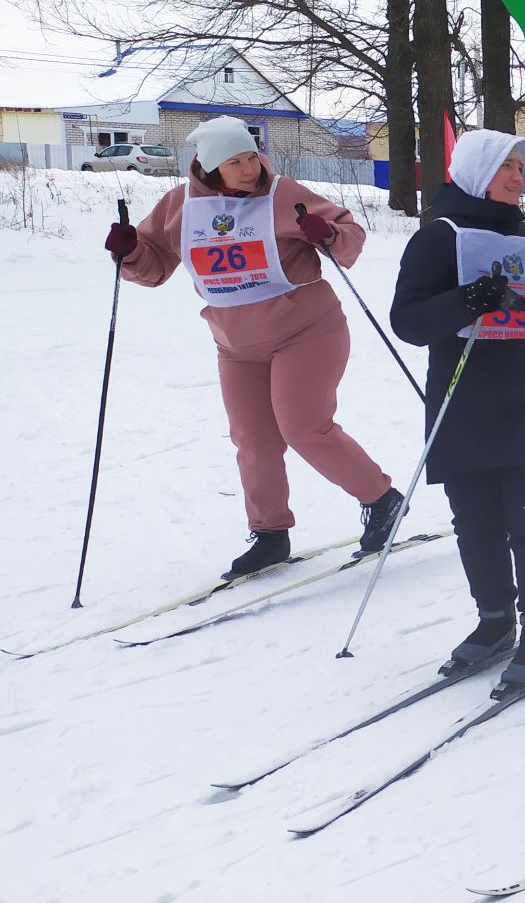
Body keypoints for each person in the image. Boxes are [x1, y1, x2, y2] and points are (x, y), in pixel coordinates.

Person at [103, 116, 401, 580]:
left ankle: (382, 500)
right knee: (253, 440)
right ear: (208, 166)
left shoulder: (281, 193)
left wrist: (326, 234)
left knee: (304, 427)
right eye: (235, 162)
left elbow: (349, 235)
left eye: (250, 157)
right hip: (235, 344)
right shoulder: (178, 205)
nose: (249, 168)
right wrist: (129, 251)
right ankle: (269, 534)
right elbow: (154, 264)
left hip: (307, 331)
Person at [389, 129, 525, 692]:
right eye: (505, 166)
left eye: (520, 167)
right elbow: (408, 321)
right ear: (476, 169)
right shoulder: (438, 238)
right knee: (476, 522)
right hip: (466, 399)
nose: (516, 176)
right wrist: (465, 301)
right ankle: (495, 618)